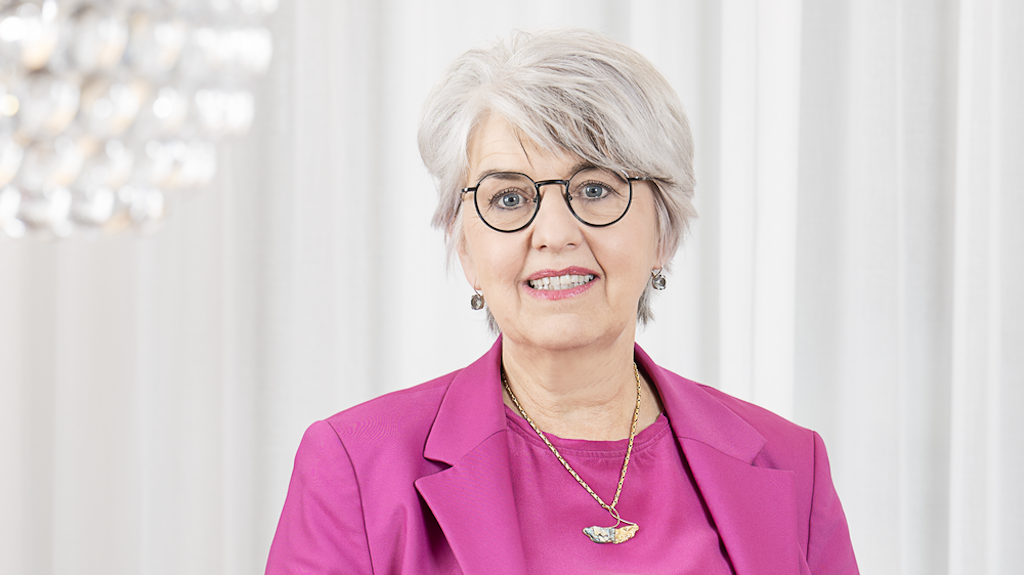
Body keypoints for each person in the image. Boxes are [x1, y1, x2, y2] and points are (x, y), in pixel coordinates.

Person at [266, 28, 859, 575]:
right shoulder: (355, 468)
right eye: (508, 198)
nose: (554, 234)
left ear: (665, 230)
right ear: (465, 247)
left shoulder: (792, 464)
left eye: (595, 188)